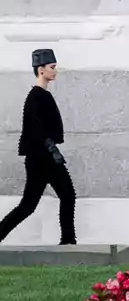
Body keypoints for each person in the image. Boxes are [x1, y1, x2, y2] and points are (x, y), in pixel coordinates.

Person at [0, 49, 76, 246]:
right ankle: (68, 241)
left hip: (44, 157)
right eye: (52, 67)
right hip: (41, 159)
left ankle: (68, 240)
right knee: (32, 204)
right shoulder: (36, 96)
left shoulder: (42, 95)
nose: (55, 70)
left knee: (37, 203)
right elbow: (34, 130)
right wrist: (50, 152)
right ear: (41, 70)